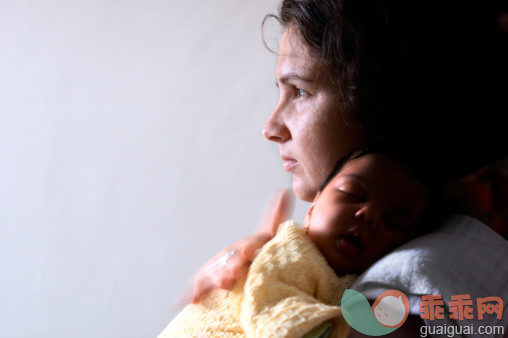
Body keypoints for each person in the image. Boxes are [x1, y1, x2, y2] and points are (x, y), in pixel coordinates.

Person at [188, 0, 508, 336]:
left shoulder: (407, 291)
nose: (271, 127)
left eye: (299, 91)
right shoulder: (436, 249)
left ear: (381, 104)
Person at [161, 147, 434, 337]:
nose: (370, 214)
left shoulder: (354, 280)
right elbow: (270, 304)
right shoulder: (293, 251)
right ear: (312, 208)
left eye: (395, 221)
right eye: (352, 193)